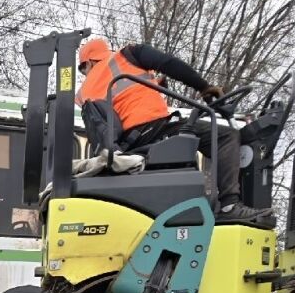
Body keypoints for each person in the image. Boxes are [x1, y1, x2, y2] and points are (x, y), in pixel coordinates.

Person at [76, 36, 271, 225]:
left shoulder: (83, 92)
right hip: (155, 129)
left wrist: (157, 86)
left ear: (89, 63)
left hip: (129, 143)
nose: (85, 73)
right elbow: (168, 62)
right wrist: (204, 87)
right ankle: (229, 205)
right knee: (226, 136)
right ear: (100, 56)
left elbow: (117, 107)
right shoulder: (126, 55)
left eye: (83, 69)